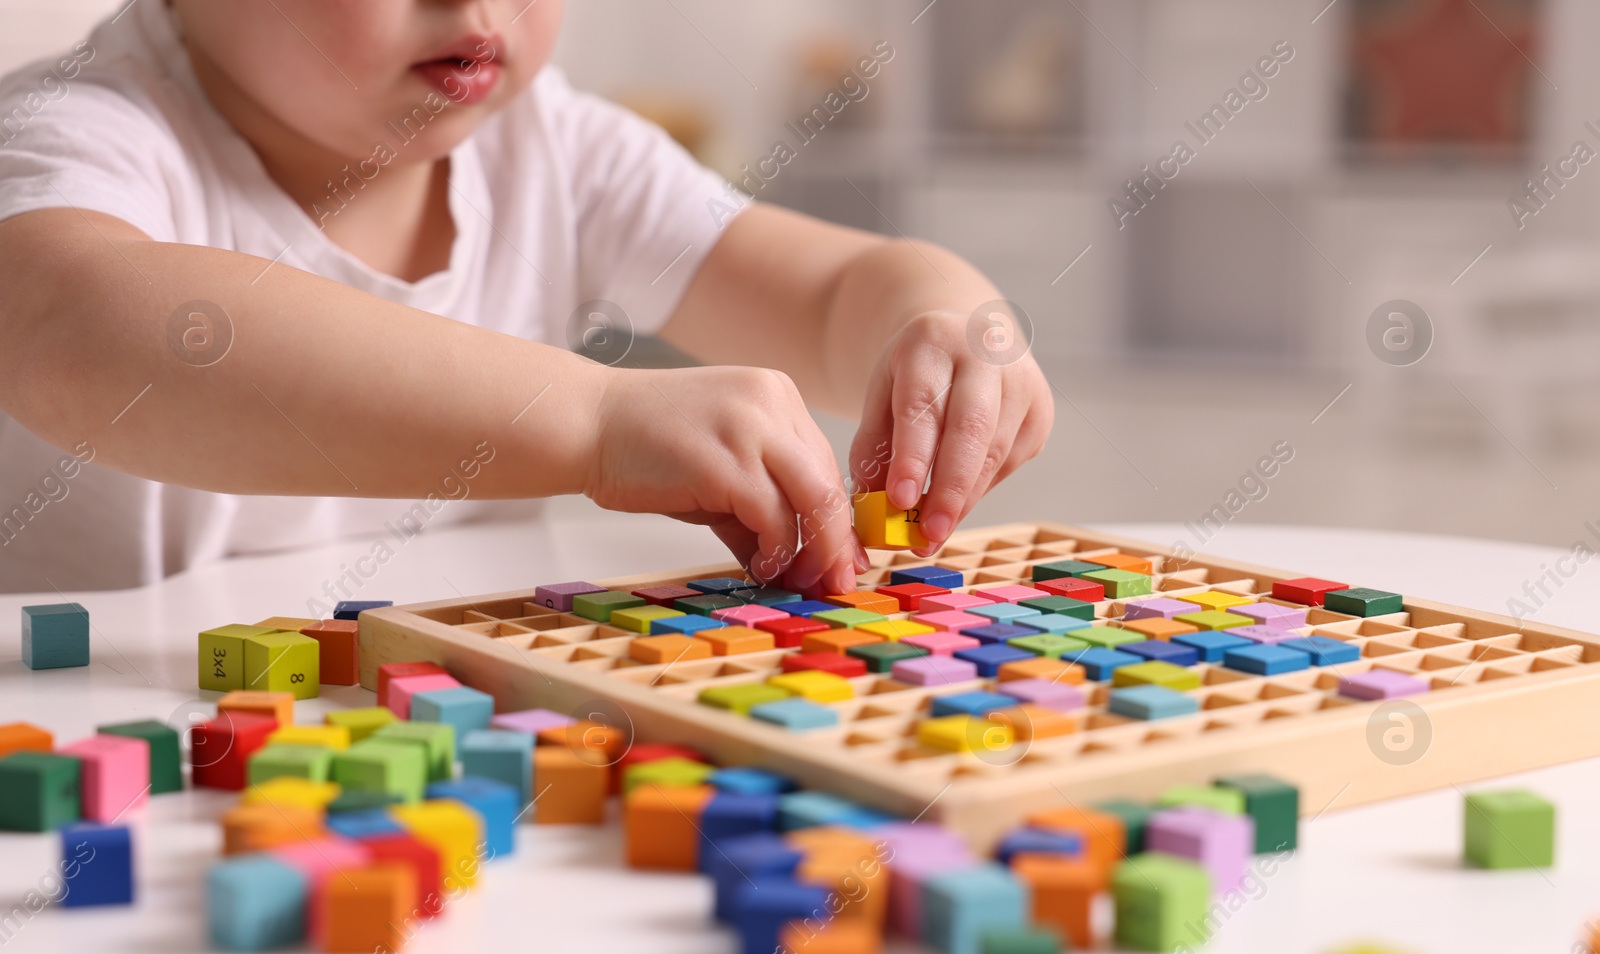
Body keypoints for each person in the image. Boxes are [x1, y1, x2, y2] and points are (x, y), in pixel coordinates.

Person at [0, 0, 1052, 596]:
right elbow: (71, 328)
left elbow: (831, 295)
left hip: (424, 731)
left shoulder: (554, 144)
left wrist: (951, 321)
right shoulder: (77, 129)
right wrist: (595, 416)